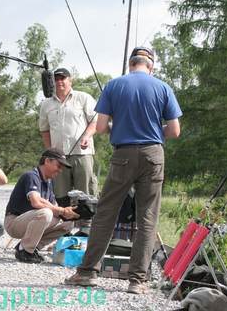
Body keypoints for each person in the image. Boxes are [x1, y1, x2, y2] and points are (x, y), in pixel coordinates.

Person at [64, 47, 182, 294]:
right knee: (147, 217)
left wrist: (121, 126)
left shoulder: (114, 85)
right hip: (153, 155)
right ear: (151, 66)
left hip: (123, 155)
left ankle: (87, 273)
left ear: (130, 64)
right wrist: (151, 132)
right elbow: (174, 131)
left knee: (106, 213)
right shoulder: (163, 88)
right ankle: (137, 281)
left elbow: (102, 126)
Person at [38, 68, 98, 235]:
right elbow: (44, 130)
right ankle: (66, 229)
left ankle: (86, 229)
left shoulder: (83, 98)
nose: (60, 82)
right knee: (61, 193)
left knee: (85, 191)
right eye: (56, 79)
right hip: (59, 157)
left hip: (82, 153)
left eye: (63, 78)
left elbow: (95, 122)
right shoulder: (46, 104)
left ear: (70, 80)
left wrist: (87, 136)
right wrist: (50, 152)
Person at [4, 148, 79, 263]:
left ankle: (31, 247)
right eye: (58, 166)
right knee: (46, 213)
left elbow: (55, 207)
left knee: (68, 224)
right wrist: (61, 210)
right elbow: (36, 202)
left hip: (31, 221)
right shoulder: (31, 176)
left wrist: (68, 212)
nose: (60, 170)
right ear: (47, 161)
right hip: (14, 222)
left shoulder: (48, 182)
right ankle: (25, 250)